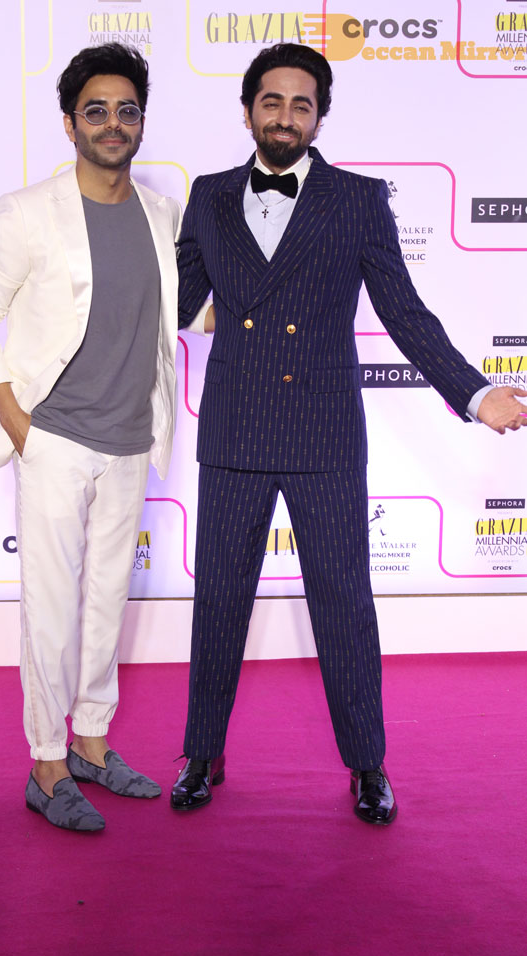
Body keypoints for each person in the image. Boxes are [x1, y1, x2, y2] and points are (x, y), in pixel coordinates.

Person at [171, 42, 527, 825]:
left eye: (301, 104)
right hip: (234, 426)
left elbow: (403, 311)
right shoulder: (209, 194)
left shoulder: (359, 200)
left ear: (319, 117)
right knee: (219, 599)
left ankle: (367, 763)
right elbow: (177, 299)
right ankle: (202, 751)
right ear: (248, 111)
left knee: (343, 602)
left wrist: (474, 393)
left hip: (323, 430)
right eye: (272, 101)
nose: (285, 116)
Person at [0, 43, 181, 832]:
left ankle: (91, 740)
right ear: (69, 123)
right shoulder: (28, 212)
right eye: (96, 110)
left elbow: (177, 312)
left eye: (126, 110)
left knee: (108, 599)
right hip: (54, 437)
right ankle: (47, 763)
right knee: (51, 607)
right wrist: (18, 423)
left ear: (140, 121)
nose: (113, 123)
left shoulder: (161, 213)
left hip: (131, 439)